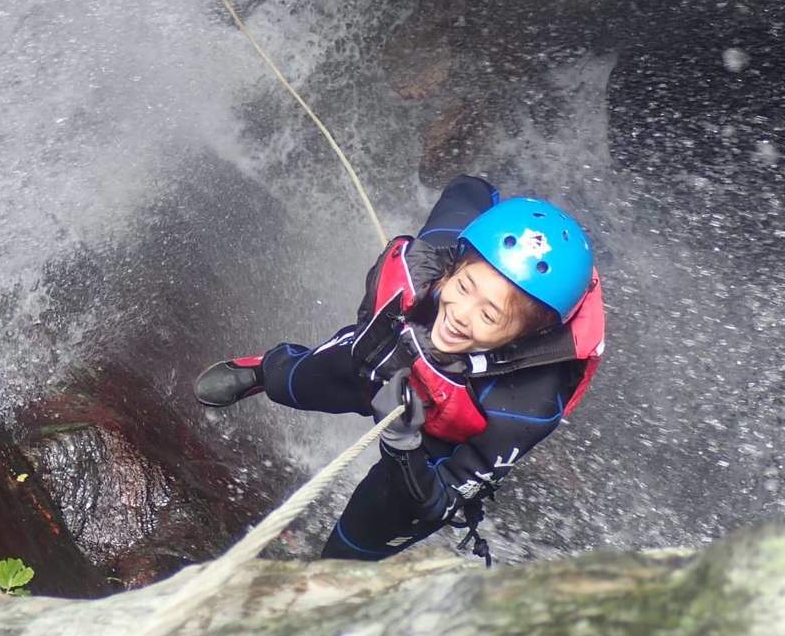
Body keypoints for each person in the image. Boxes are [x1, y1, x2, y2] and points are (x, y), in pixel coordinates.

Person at [194, 175, 605, 564]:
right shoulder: (442, 252)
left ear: (524, 336)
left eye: (490, 315)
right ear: (454, 268)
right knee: (296, 380)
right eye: (463, 288)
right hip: (392, 357)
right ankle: (265, 371)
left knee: (353, 551)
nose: (461, 315)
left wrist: (403, 443)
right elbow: (468, 191)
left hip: (441, 436)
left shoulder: (523, 406)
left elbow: (441, 498)